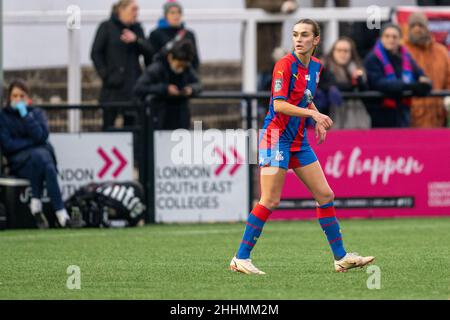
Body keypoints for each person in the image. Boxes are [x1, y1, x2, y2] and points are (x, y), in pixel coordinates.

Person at [229, 19, 374, 275]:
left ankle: (340, 258)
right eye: (295, 34)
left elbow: (304, 99)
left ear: (316, 40)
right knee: (270, 199)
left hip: (298, 141)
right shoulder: (284, 65)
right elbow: (279, 105)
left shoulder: (316, 67)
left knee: (325, 195)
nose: (298, 39)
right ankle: (240, 258)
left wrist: (315, 113)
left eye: (304, 35)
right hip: (276, 138)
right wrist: (314, 117)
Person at [0, 80, 71, 229]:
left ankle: (40, 205)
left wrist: (26, 116)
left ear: (27, 97)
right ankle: (60, 212)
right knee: (43, 158)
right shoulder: (3, 116)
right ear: (9, 97)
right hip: (18, 161)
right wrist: (32, 143)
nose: (18, 99)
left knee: (44, 163)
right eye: (14, 96)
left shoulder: (36, 113)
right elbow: (8, 145)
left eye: (21, 95)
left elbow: (41, 136)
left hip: (35, 160)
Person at [91, 0, 153, 130]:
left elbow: (149, 52)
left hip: (133, 86)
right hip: (112, 87)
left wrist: (136, 40)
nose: (136, 13)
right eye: (133, 9)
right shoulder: (106, 27)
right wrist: (106, 75)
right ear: (121, 10)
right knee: (109, 125)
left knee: (133, 126)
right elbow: (96, 53)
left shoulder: (137, 29)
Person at [364, 23, 432, 128]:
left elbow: (422, 76)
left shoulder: (405, 56)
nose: (391, 39)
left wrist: (425, 84)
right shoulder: (373, 58)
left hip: (403, 111)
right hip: (381, 112)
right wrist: (411, 86)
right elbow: (378, 83)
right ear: (381, 38)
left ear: (400, 39)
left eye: (394, 37)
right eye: (387, 36)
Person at [133, 39, 201, 130]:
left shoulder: (187, 68)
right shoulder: (156, 68)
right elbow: (139, 88)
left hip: (180, 117)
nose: (180, 68)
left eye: (183, 66)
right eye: (178, 65)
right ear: (170, 57)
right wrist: (165, 89)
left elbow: (198, 83)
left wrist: (191, 89)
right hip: (159, 117)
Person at [404, 12, 450, 128]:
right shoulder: (403, 51)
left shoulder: (441, 52)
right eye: (413, 26)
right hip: (410, 117)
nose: (417, 29)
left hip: (438, 116)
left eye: (420, 25)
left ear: (427, 28)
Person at [325, 37, 371, 128]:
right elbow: (331, 84)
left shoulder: (358, 68)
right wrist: (353, 83)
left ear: (351, 53)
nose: (342, 54)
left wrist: (360, 81)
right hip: (334, 115)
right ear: (333, 52)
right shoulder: (326, 68)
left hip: (357, 114)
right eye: (339, 50)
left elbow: (366, 89)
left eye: (346, 51)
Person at [148, 0, 200, 71]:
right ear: (166, 15)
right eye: (172, 13)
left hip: (184, 76)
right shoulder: (156, 34)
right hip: (163, 76)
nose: (176, 16)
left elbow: (195, 60)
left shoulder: (189, 34)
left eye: (179, 12)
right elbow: (151, 58)